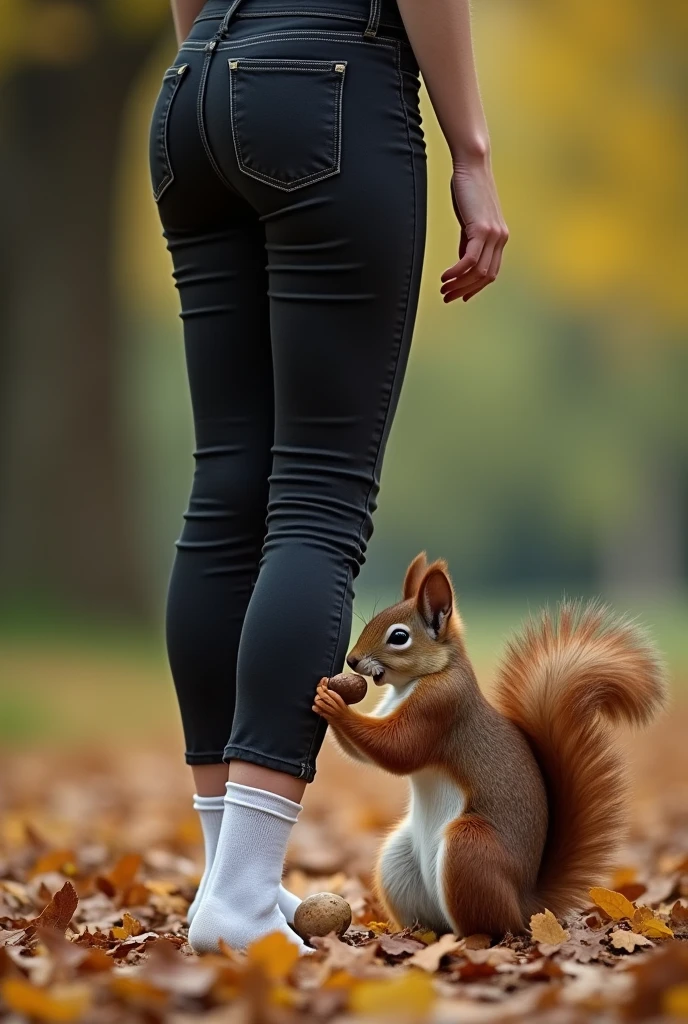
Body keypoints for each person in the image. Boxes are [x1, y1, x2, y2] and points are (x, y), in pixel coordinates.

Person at [148, 0, 508, 954]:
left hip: (196, 90)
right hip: (330, 86)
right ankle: (237, 898)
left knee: (225, 488)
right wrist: (471, 155)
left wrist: (223, 79)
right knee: (318, 495)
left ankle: (232, 887)